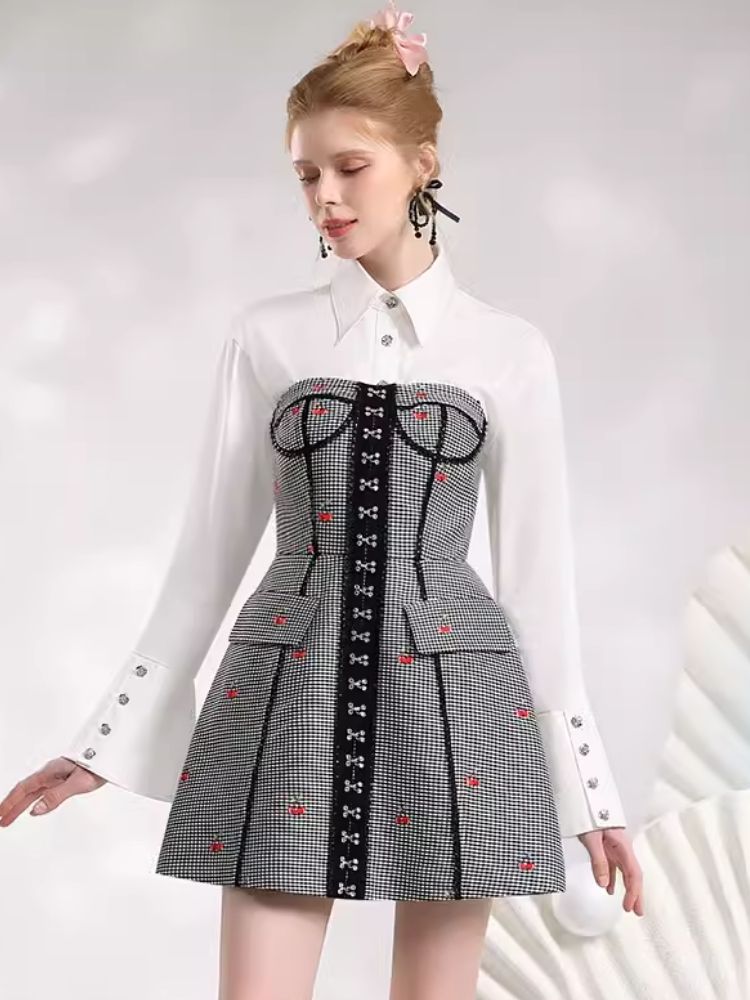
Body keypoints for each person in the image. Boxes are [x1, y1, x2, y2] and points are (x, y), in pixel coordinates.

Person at [0, 3, 644, 998]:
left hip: (462, 704)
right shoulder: (266, 336)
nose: (326, 198)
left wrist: (590, 792)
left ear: (423, 164)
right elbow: (206, 559)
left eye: (351, 167)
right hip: (284, 692)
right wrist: (104, 740)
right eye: (307, 174)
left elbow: (539, 590)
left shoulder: (509, 351)